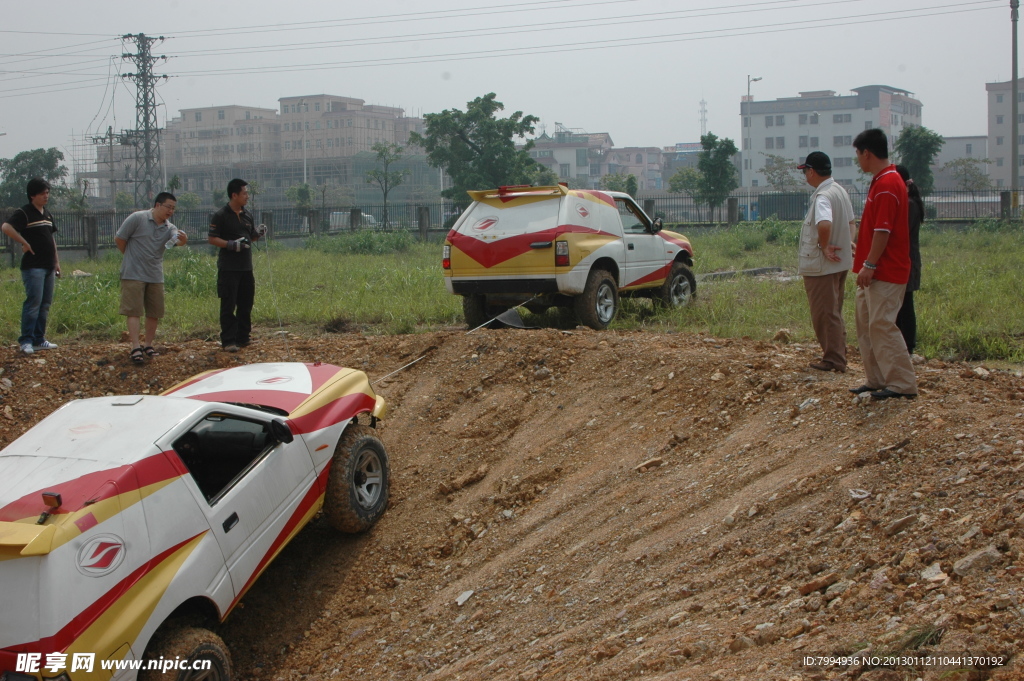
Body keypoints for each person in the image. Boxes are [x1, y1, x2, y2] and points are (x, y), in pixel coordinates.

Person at [849, 129, 918, 400]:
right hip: (874, 271)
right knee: (867, 324)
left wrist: (869, 264)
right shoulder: (880, 181)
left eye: (858, 154)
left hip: (885, 271)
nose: (858, 160)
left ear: (866, 153)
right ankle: (876, 378)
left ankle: (902, 383)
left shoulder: (889, 184)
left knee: (882, 324)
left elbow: (883, 230)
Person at [796, 151, 856, 373]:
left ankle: (833, 360)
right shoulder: (839, 191)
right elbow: (851, 221)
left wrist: (825, 245)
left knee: (824, 313)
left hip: (822, 265)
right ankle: (838, 354)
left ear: (811, 171)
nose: (806, 177)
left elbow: (823, 224)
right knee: (834, 311)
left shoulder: (823, 196)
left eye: (806, 172)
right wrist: (848, 242)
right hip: (839, 264)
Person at [114, 192, 187, 364]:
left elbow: (177, 241)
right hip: (133, 273)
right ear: (157, 205)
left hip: (154, 274)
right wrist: (130, 257)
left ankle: (148, 344)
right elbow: (119, 239)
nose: (170, 211)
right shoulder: (138, 218)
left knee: (154, 311)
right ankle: (135, 346)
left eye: (173, 208)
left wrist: (183, 240)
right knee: (133, 311)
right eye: (168, 207)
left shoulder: (169, 228)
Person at [1, 178, 60, 355]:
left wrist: (56, 262)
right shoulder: (24, 213)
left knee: (45, 304)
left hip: (48, 266)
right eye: (43, 193)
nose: (46, 196)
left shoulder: (47, 214)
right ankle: (26, 340)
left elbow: (51, 239)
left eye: (47, 192)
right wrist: (24, 242)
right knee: (33, 303)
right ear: (32, 195)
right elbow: (6, 227)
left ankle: (39, 339)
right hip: (33, 267)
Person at [207, 178, 264, 352]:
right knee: (229, 304)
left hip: (246, 268)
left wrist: (258, 234)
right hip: (229, 268)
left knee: (246, 303)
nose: (247, 196)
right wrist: (230, 245)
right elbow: (212, 238)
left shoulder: (247, 215)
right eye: (244, 193)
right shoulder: (221, 215)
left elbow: (250, 236)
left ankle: (243, 337)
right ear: (234, 195)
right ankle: (229, 340)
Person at [894, 165, 923, 355]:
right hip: (904, 258)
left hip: (907, 259)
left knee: (905, 303)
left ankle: (908, 346)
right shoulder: (908, 202)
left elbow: (899, 233)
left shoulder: (909, 205)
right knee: (900, 303)